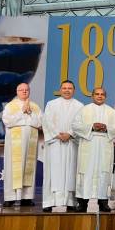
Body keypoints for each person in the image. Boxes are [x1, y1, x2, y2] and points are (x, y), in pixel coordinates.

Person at [72, 87, 115, 212]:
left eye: (102, 94)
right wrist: (91, 127)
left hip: (104, 145)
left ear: (105, 96)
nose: (99, 96)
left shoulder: (111, 112)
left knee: (103, 172)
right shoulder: (84, 110)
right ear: (92, 96)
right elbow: (75, 126)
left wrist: (106, 128)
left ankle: (103, 201)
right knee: (86, 172)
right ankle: (83, 203)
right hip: (89, 144)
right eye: (97, 94)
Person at [42, 80, 84, 211]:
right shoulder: (51, 104)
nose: (67, 90)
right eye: (64, 88)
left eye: (70, 88)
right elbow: (47, 122)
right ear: (60, 90)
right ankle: (49, 202)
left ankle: (70, 201)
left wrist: (70, 134)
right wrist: (58, 135)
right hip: (55, 143)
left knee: (71, 171)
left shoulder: (80, 106)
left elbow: (81, 124)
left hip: (71, 143)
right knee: (52, 172)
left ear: (74, 90)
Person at [2, 83, 42, 207]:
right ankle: (10, 198)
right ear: (17, 91)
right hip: (14, 145)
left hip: (30, 143)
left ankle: (27, 198)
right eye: (21, 90)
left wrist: (30, 113)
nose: (24, 92)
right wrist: (22, 112)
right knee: (12, 170)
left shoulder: (35, 106)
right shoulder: (10, 106)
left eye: (26, 90)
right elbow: (7, 121)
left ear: (29, 91)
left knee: (28, 169)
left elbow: (40, 123)